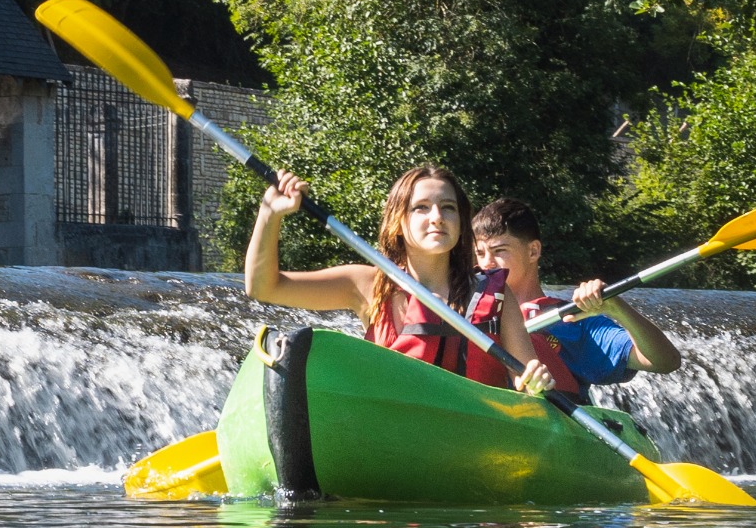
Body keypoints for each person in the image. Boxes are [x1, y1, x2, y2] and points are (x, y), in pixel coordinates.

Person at [245, 162, 551, 391]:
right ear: (399, 223)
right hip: (396, 432)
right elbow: (264, 287)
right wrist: (269, 214)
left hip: (478, 436)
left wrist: (535, 381)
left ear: (461, 222)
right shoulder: (366, 285)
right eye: (420, 208)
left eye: (448, 208)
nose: (437, 217)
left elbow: (524, 382)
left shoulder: (495, 295)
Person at [472, 196, 681, 400]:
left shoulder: (572, 321)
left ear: (533, 251)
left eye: (499, 250)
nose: (486, 263)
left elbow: (665, 362)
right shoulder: (465, 313)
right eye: (480, 253)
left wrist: (617, 309)